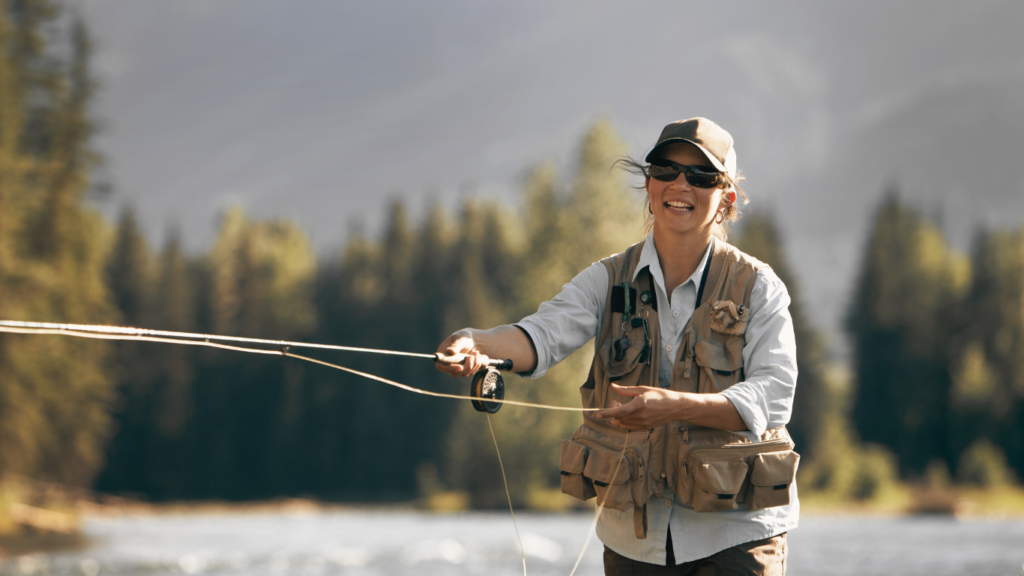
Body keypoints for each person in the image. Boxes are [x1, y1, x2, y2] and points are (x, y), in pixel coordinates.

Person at [436, 117, 798, 575]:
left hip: (736, 536)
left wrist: (673, 406)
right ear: (648, 184)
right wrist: (478, 341)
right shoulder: (606, 279)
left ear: (725, 198)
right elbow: (541, 335)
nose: (680, 184)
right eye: (666, 170)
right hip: (635, 545)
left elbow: (775, 395)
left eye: (701, 176)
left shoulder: (760, 287)